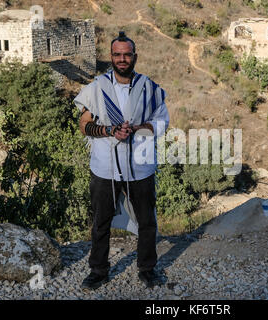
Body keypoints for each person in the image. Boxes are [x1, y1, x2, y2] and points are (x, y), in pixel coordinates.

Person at [73, 31, 170, 290]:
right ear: (111, 57)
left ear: (135, 56)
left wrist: (138, 128)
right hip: (105, 167)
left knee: (147, 221)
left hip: (140, 166)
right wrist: (109, 131)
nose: (122, 59)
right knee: (100, 222)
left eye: (127, 54)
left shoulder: (150, 88)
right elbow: (84, 125)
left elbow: (163, 122)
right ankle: (98, 271)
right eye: (117, 54)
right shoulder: (96, 88)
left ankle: (147, 269)